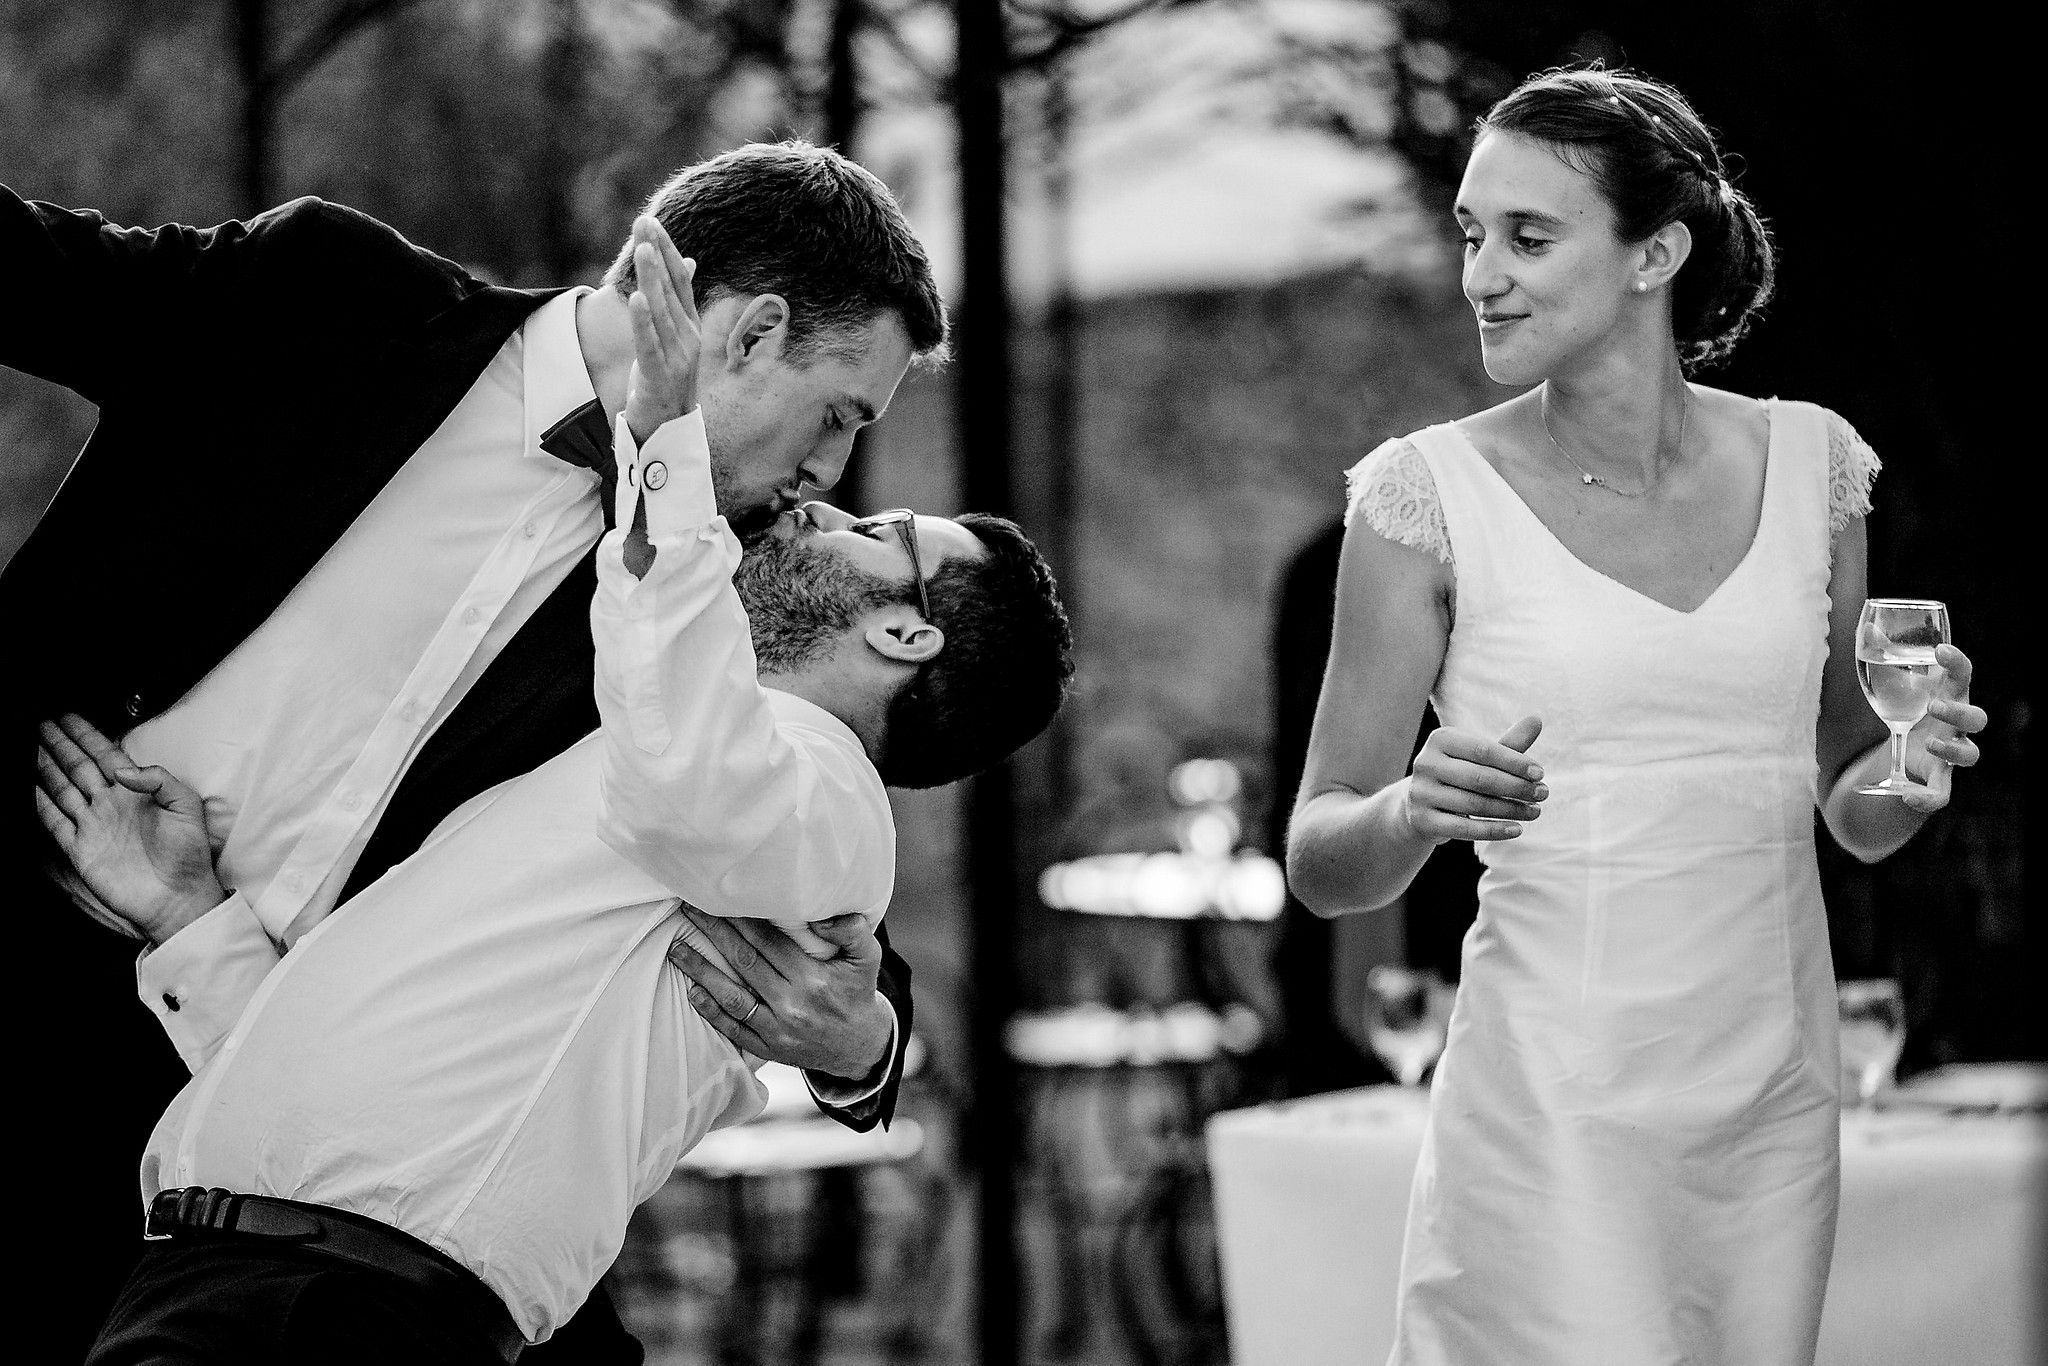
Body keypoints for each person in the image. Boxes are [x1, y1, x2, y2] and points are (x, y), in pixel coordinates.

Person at [1, 141, 945, 1361]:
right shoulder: (332, 298)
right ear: (752, 333)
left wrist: (862, 1043)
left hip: (237, 1120)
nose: (829, 473)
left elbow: (812, 870)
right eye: (839, 415)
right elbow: (27, 266)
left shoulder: (691, 586)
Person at [1286, 67, 1990, 1366]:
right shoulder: (1418, 498)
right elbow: (1321, 854)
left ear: (1656, 251)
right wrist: (1411, 809)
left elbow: (1848, 798)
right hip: (1545, 1113)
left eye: (1529, 236)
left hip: (1770, 1105)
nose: (1481, 273)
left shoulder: (1817, 468)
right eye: (1471, 234)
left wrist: (1910, 772)